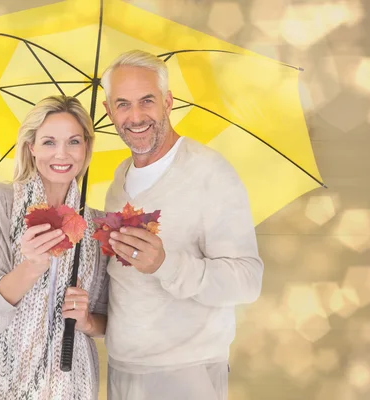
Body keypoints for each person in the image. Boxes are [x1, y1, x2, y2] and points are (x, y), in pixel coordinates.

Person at [99, 50, 264, 400]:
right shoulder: (119, 181)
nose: (136, 116)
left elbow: (247, 281)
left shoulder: (209, 172)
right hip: (122, 367)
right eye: (123, 104)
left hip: (185, 373)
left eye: (147, 101)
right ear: (108, 111)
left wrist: (166, 264)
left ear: (168, 101)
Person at [0, 95, 109, 400]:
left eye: (74, 142)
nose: (62, 154)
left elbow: (106, 320)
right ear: (31, 147)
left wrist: (88, 320)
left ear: (86, 149)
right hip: (2, 381)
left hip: (71, 383)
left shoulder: (96, 225)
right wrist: (31, 266)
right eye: (49, 142)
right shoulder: (0, 201)